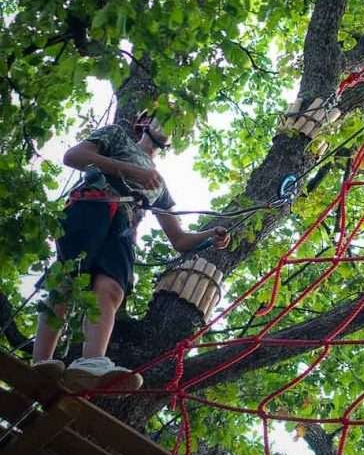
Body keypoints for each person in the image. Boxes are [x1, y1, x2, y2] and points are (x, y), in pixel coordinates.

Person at [31, 113, 229, 391]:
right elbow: (74, 156)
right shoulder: (117, 136)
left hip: (122, 226)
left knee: (111, 288)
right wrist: (127, 169)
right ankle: (40, 362)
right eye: (165, 117)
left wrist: (211, 236)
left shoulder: (158, 183)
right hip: (92, 205)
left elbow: (179, 239)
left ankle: (91, 361)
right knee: (67, 278)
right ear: (145, 122)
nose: (170, 124)